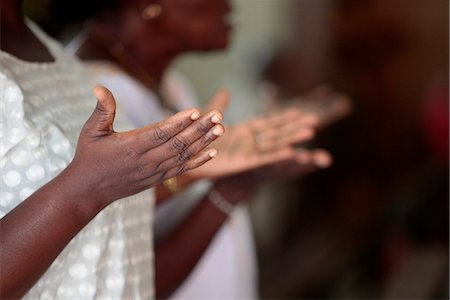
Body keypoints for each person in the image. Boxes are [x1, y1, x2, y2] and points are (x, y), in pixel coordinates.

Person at [50, 0, 336, 298]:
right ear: (149, 6)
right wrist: (230, 187)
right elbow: (118, 280)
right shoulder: (97, 98)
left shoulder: (169, 83)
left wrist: (242, 171)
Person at [0, 0, 226, 298]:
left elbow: (115, 244)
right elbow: (89, 186)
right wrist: (83, 189)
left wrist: (226, 186)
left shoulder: (52, 52)